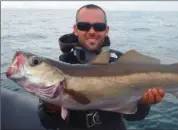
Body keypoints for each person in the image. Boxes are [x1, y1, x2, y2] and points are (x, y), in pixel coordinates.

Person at [37, 4, 165, 130]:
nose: (92, 31)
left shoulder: (122, 63)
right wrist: (51, 108)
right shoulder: (62, 66)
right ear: (75, 29)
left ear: (106, 30)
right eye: (84, 26)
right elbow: (49, 124)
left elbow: (134, 117)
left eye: (99, 26)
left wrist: (141, 103)